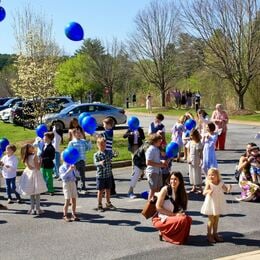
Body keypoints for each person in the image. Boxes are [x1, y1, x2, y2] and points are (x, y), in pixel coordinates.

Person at [152, 172, 192, 245]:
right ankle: (165, 234)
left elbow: (181, 208)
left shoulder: (181, 192)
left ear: (180, 181)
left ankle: (178, 236)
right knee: (182, 220)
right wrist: (174, 215)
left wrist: (180, 213)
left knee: (188, 219)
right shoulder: (165, 189)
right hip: (162, 218)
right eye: (171, 179)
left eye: (175, 179)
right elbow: (158, 207)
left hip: (172, 217)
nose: (173, 181)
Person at [201, 168, 232, 243]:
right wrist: (208, 191)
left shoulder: (221, 183)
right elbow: (204, 192)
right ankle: (209, 235)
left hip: (218, 202)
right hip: (211, 203)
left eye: (213, 175)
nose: (211, 177)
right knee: (211, 220)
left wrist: (229, 188)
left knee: (216, 219)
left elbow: (226, 190)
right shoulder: (209, 183)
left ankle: (215, 234)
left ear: (217, 176)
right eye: (209, 175)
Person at [18, 144, 47, 215]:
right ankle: (38, 209)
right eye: (31, 147)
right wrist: (40, 162)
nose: (32, 147)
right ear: (28, 149)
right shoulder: (34, 156)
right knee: (37, 193)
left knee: (31, 193)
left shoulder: (26, 157)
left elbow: (30, 167)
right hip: (35, 174)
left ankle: (31, 208)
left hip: (28, 174)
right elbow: (37, 168)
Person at [94, 137, 116, 212]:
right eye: (101, 145)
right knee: (100, 191)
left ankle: (108, 202)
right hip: (100, 176)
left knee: (108, 190)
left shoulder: (108, 152)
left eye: (104, 144)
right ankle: (99, 204)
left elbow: (113, 155)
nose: (103, 146)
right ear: (98, 145)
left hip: (108, 175)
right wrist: (99, 163)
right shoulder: (96, 155)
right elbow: (95, 163)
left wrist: (115, 154)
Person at [68, 128, 92, 193]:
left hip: (82, 160)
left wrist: (89, 142)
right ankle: (75, 188)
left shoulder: (83, 141)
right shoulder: (72, 143)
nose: (79, 134)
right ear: (74, 134)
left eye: (80, 133)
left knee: (82, 175)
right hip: (75, 162)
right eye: (77, 133)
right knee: (75, 176)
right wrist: (71, 162)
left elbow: (88, 149)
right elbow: (69, 152)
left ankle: (83, 188)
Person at [145, 134, 168, 201]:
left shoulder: (156, 149)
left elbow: (155, 160)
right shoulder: (151, 149)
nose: (161, 141)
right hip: (152, 172)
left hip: (158, 171)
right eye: (159, 140)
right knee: (153, 190)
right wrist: (160, 165)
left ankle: (155, 205)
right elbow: (148, 162)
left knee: (158, 189)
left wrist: (162, 161)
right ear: (155, 141)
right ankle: (149, 205)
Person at [59, 157, 80, 222]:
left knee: (74, 199)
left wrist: (75, 170)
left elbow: (77, 175)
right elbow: (62, 177)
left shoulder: (72, 165)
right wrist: (69, 170)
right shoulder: (62, 167)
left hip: (73, 183)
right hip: (66, 184)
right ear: (63, 159)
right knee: (67, 200)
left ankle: (73, 214)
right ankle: (65, 215)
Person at [101, 117, 116, 195]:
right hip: (107, 154)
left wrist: (94, 133)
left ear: (108, 125)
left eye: (104, 124)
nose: (103, 126)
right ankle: (111, 189)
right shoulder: (108, 131)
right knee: (108, 172)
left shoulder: (109, 132)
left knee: (108, 173)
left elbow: (103, 136)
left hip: (108, 155)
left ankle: (111, 189)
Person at [187, 129, 203, 193]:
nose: (191, 137)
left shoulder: (198, 143)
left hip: (196, 159)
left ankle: (201, 188)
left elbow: (200, 153)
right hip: (191, 159)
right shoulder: (190, 142)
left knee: (197, 173)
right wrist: (188, 158)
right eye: (190, 135)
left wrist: (201, 160)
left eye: (192, 135)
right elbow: (188, 151)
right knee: (191, 173)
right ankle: (194, 187)